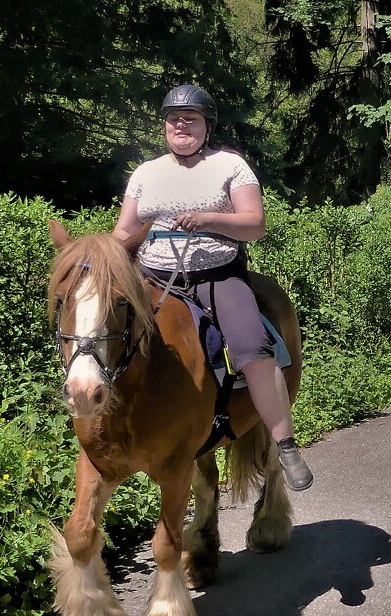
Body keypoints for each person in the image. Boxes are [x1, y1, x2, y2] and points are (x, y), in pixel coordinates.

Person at [112, 84, 313, 491]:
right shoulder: (145, 173)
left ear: (207, 126)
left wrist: (206, 219)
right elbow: (125, 230)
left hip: (217, 274)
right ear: (164, 126)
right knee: (103, 332)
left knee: (252, 347)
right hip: (152, 276)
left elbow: (255, 223)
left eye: (191, 119)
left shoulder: (230, 167)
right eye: (173, 119)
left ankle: (284, 444)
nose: (180, 125)